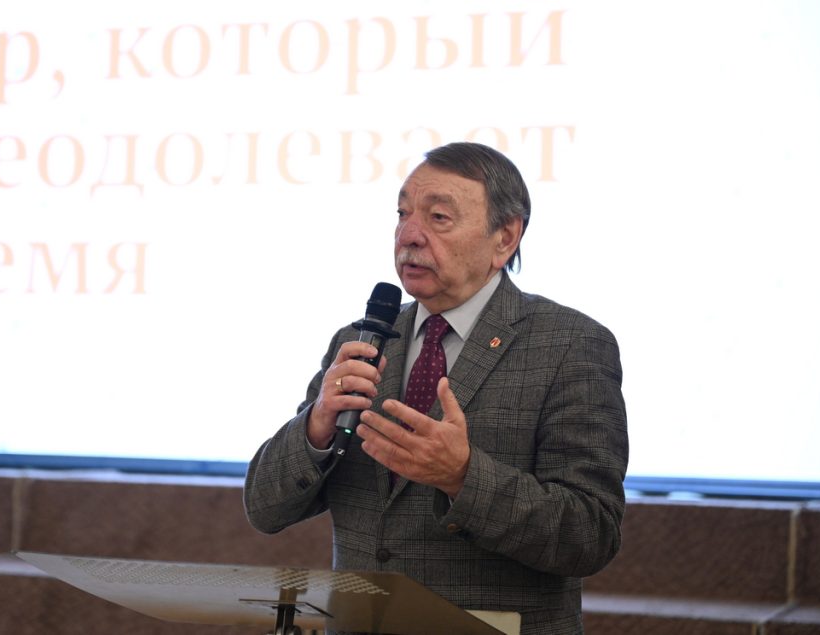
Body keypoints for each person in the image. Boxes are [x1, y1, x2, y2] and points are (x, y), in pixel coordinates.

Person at [243, 142, 628, 635]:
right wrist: (315, 429)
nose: (408, 235)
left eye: (438, 217)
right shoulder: (362, 342)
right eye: (402, 214)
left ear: (505, 238)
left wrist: (464, 477)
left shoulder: (570, 344)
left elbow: (590, 534)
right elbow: (264, 509)